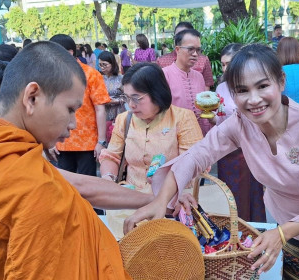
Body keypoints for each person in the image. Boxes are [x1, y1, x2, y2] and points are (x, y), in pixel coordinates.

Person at [125, 44, 299, 279]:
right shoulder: (240, 124)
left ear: (281, 81)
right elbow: (197, 155)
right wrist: (161, 200)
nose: (254, 99)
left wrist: (281, 234)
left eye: (262, 86)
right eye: (241, 90)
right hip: (285, 235)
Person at [0, 40, 134, 279]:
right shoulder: (35, 187)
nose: (73, 124)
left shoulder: (17, 160)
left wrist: (155, 198)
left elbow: (78, 184)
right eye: (70, 109)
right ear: (32, 97)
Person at [99, 63, 203, 239]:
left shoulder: (182, 118)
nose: (131, 105)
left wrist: (175, 194)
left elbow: (194, 164)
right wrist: (108, 178)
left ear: (157, 93)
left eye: (137, 98)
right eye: (127, 98)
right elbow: (112, 156)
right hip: (129, 203)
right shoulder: (124, 120)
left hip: (171, 205)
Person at [48, 35, 110, 215]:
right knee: (64, 190)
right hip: (60, 142)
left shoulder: (91, 74)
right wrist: (49, 142)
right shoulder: (49, 77)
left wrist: (101, 141)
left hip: (87, 143)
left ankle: (96, 226)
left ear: (70, 52)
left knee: (89, 191)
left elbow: (100, 109)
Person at [214, 43, 266, 222]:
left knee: (249, 194)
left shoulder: (250, 86)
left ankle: (251, 230)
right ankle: (231, 231)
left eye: (229, 63)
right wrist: (208, 117)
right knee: (227, 194)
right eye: (223, 64)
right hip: (225, 150)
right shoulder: (221, 88)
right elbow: (218, 118)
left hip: (247, 147)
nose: (225, 68)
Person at [162, 29, 212, 136]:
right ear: (177, 49)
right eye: (190, 49)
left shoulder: (199, 77)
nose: (195, 54)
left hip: (200, 135)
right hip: (175, 134)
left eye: (198, 50)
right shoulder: (164, 75)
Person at [157, 21, 214, 91]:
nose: (179, 38)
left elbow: (206, 87)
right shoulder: (162, 62)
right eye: (177, 36)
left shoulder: (203, 60)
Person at [98, 51, 126, 142]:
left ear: (112, 64)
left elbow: (128, 97)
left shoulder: (121, 78)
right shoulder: (99, 78)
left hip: (118, 112)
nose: (102, 68)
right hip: (103, 113)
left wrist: (116, 101)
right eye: (100, 65)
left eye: (105, 65)